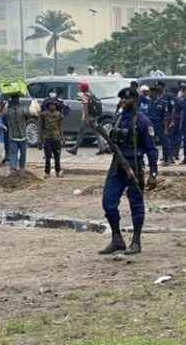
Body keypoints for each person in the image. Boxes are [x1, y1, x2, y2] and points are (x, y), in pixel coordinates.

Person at [98, 87, 159, 255]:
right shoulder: (118, 118)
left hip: (135, 166)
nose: (124, 102)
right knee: (108, 203)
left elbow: (152, 150)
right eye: (122, 99)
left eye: (127, 99)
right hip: (117, 165)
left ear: (135, 100)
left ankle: (136, 241)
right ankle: (117, 239)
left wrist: (153, 174)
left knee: (136, 205)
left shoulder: (143, 121)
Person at [68, 82, 107, 155]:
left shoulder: (84, 96)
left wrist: (86, 118)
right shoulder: (92, 95)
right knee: (96, 133)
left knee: (81, 133)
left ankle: (75, 149)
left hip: (87, 117)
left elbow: (85, 107)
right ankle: (102, 148)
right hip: (93, 117)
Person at [40, 101, 65, 178]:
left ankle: (58, 171)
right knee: (47, 156)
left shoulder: (59, 115)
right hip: (47, 138)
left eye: (53, 105)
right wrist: (40, 139)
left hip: (56, 138)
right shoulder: (43, 114)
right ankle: (47, 172)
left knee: (57, 156)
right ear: (48, 106)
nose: (52, 106)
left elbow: (60, 126)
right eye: (50, 105)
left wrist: (63, 138)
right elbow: (41, 127)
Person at [5, 94, 29, 172]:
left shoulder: (11, 109)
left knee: (20, 153)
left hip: (20, 135)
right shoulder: (10, 109)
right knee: (15, 153)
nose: (16, 100)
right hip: (14, 136)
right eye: (15, 99)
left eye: (16, 99)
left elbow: (27, 115)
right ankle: (15, 167)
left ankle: (17, 167)